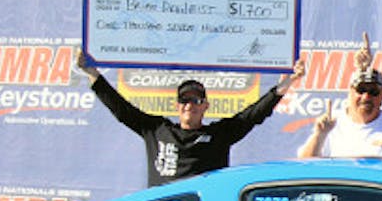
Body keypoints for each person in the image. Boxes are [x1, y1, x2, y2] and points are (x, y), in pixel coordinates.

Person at [77, 49, 305, 187]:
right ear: (177, 106)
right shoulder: (156, 129)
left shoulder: (218, 135)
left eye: (196, 101)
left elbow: (253, 115)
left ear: (205, 106)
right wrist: (93, 74)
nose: (190, 106)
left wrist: (287, 84)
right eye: (185, 100)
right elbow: (121, 110)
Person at [297, 68, 382, 158]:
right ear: (350, 92)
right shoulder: (331, 123)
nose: (366, 97)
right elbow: (304, 164)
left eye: (373, 91)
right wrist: (319, 135)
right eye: (361, 90)